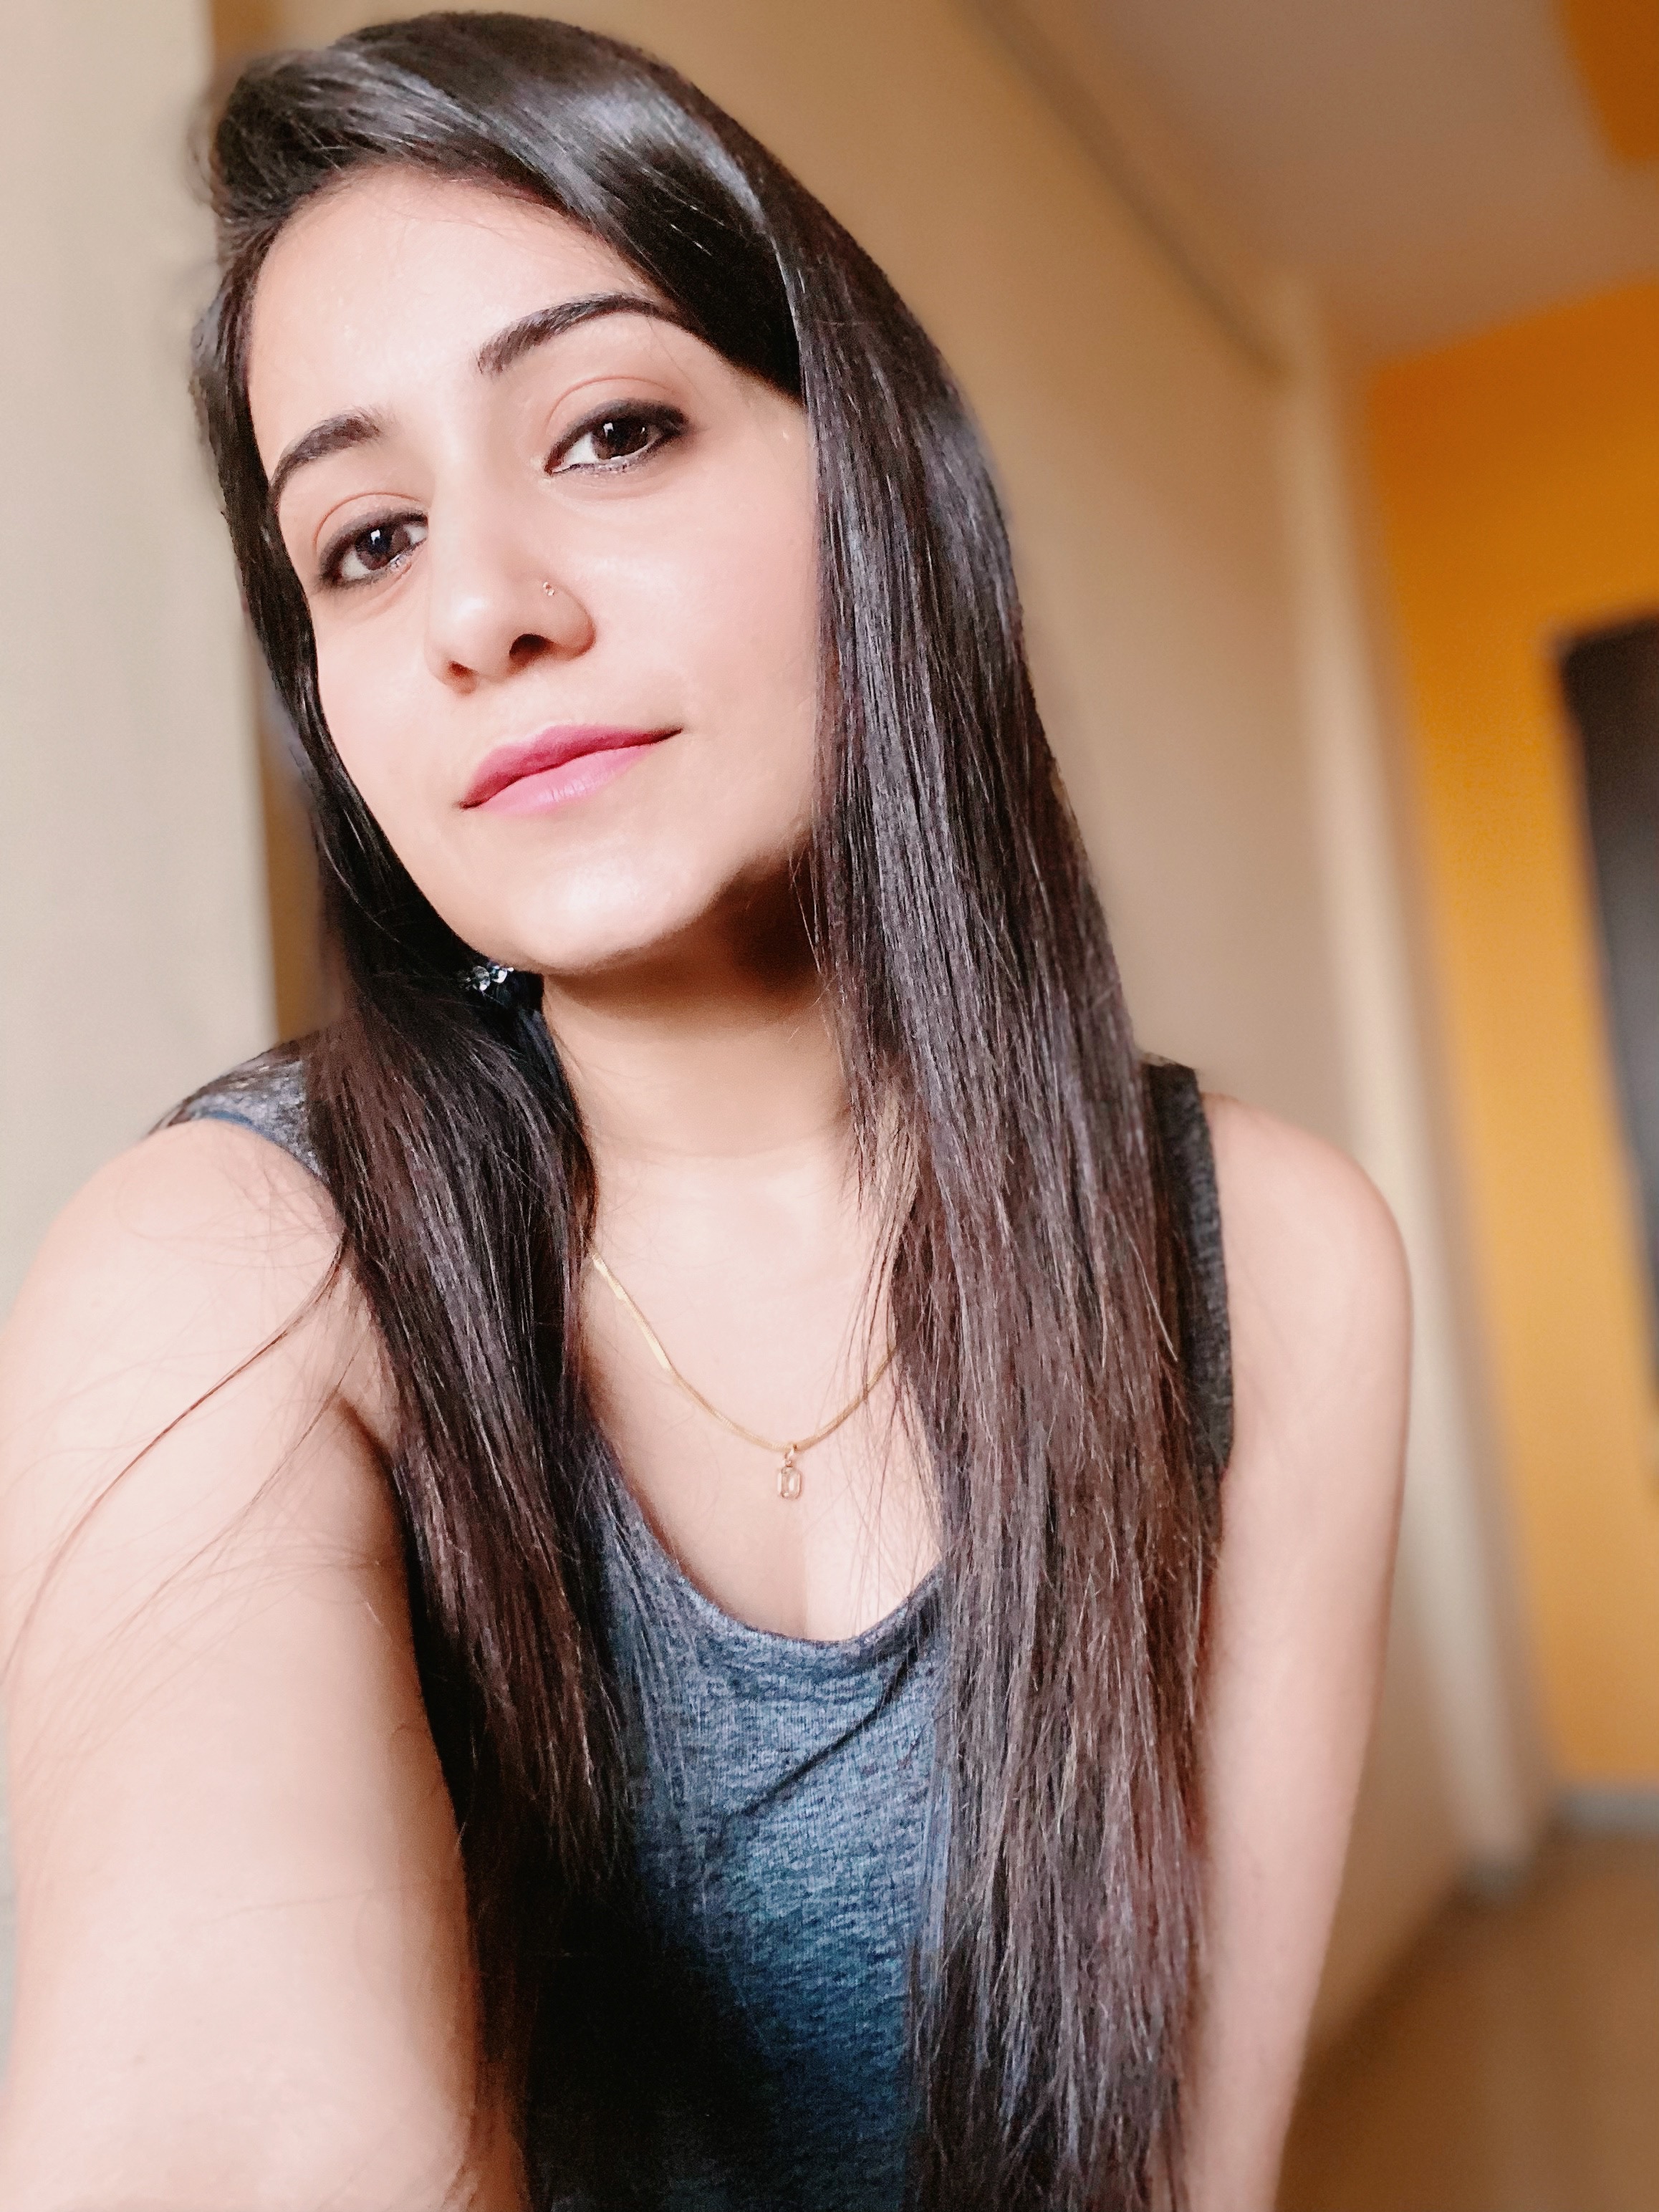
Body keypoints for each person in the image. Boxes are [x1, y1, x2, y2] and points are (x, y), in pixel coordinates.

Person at [0, 15, 1409, 2210]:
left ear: (878, 487)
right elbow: (233, 2130)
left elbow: (1170, 2173)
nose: (481, 610)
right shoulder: (231, 1268)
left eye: (611, 429)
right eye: (363, 542)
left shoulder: (1266, 1259)